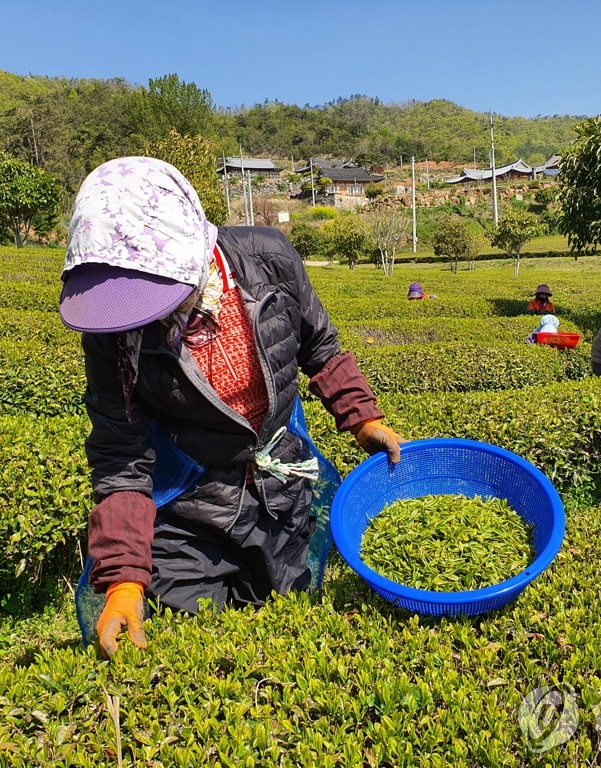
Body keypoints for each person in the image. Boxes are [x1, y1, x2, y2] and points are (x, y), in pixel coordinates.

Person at [58, 156, 406, 657]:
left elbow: (319, 347)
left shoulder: (269, 258)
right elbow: (121, 459)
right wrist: (125, 581)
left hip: (280, 484)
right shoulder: (112, 331)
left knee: (283, 629)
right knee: (193, 649)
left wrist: (363, 418)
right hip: (190, 505)